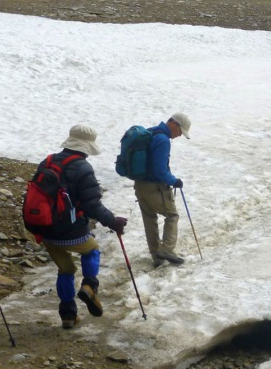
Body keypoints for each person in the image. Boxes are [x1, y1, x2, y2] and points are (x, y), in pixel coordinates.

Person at [36, 124, 127, 328]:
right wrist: (113, 221)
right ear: (86, 147)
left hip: (46, 228)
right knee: (92, 251)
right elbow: (92, 205)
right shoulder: (83, 168)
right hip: (72, 230)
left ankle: (68, 315)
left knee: (66, 269)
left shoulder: (47, 161)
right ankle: (89, 286)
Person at [135, 113, 191, 266]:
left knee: (149, 219)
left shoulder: (151, 132)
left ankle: (157, 256)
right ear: (174, 124)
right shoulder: (163, 140)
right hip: (154, 187)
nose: (179, 135)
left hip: (140, 185)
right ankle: (166, 249)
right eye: (180, 132)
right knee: (172, 216)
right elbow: (160, 170)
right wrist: (174, 181)